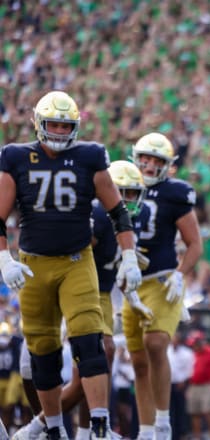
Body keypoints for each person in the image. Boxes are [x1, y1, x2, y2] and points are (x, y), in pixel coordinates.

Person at [0, 91, 142, 440]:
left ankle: (99, 424)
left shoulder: (90, 155)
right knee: (43, 352)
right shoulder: (16, 157)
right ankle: (52, 428)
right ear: (39, 124)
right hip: (33, 265)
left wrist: (128, 256)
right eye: (55, 125)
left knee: (89, 341)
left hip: (77, 261)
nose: (61, 132)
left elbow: (117, 211)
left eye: (67, 125)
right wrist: (5, 258)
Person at [14, 160, 153, 440]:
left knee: (96, 364)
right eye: (120, 192)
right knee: (93, 358)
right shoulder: (99, 216)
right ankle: (43, 428)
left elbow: (118, 266)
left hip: (100, 295)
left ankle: (81, 430)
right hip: (77, 293)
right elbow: (72, 251)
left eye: (131, 193)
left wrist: (134, 294)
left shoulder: (127, 221)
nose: (125, 200)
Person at [123, 131, 202, 440]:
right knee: (138, 361)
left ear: (169, 165)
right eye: (145, 158)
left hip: (162, 279)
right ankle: (145, 430)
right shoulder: (120, 183)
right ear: (134, 157)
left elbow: (194, 243)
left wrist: (181, 274)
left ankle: (163, 423)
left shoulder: (175, 193)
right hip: (127, 282)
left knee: (156, 343)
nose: (150, 165)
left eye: (157, 160)